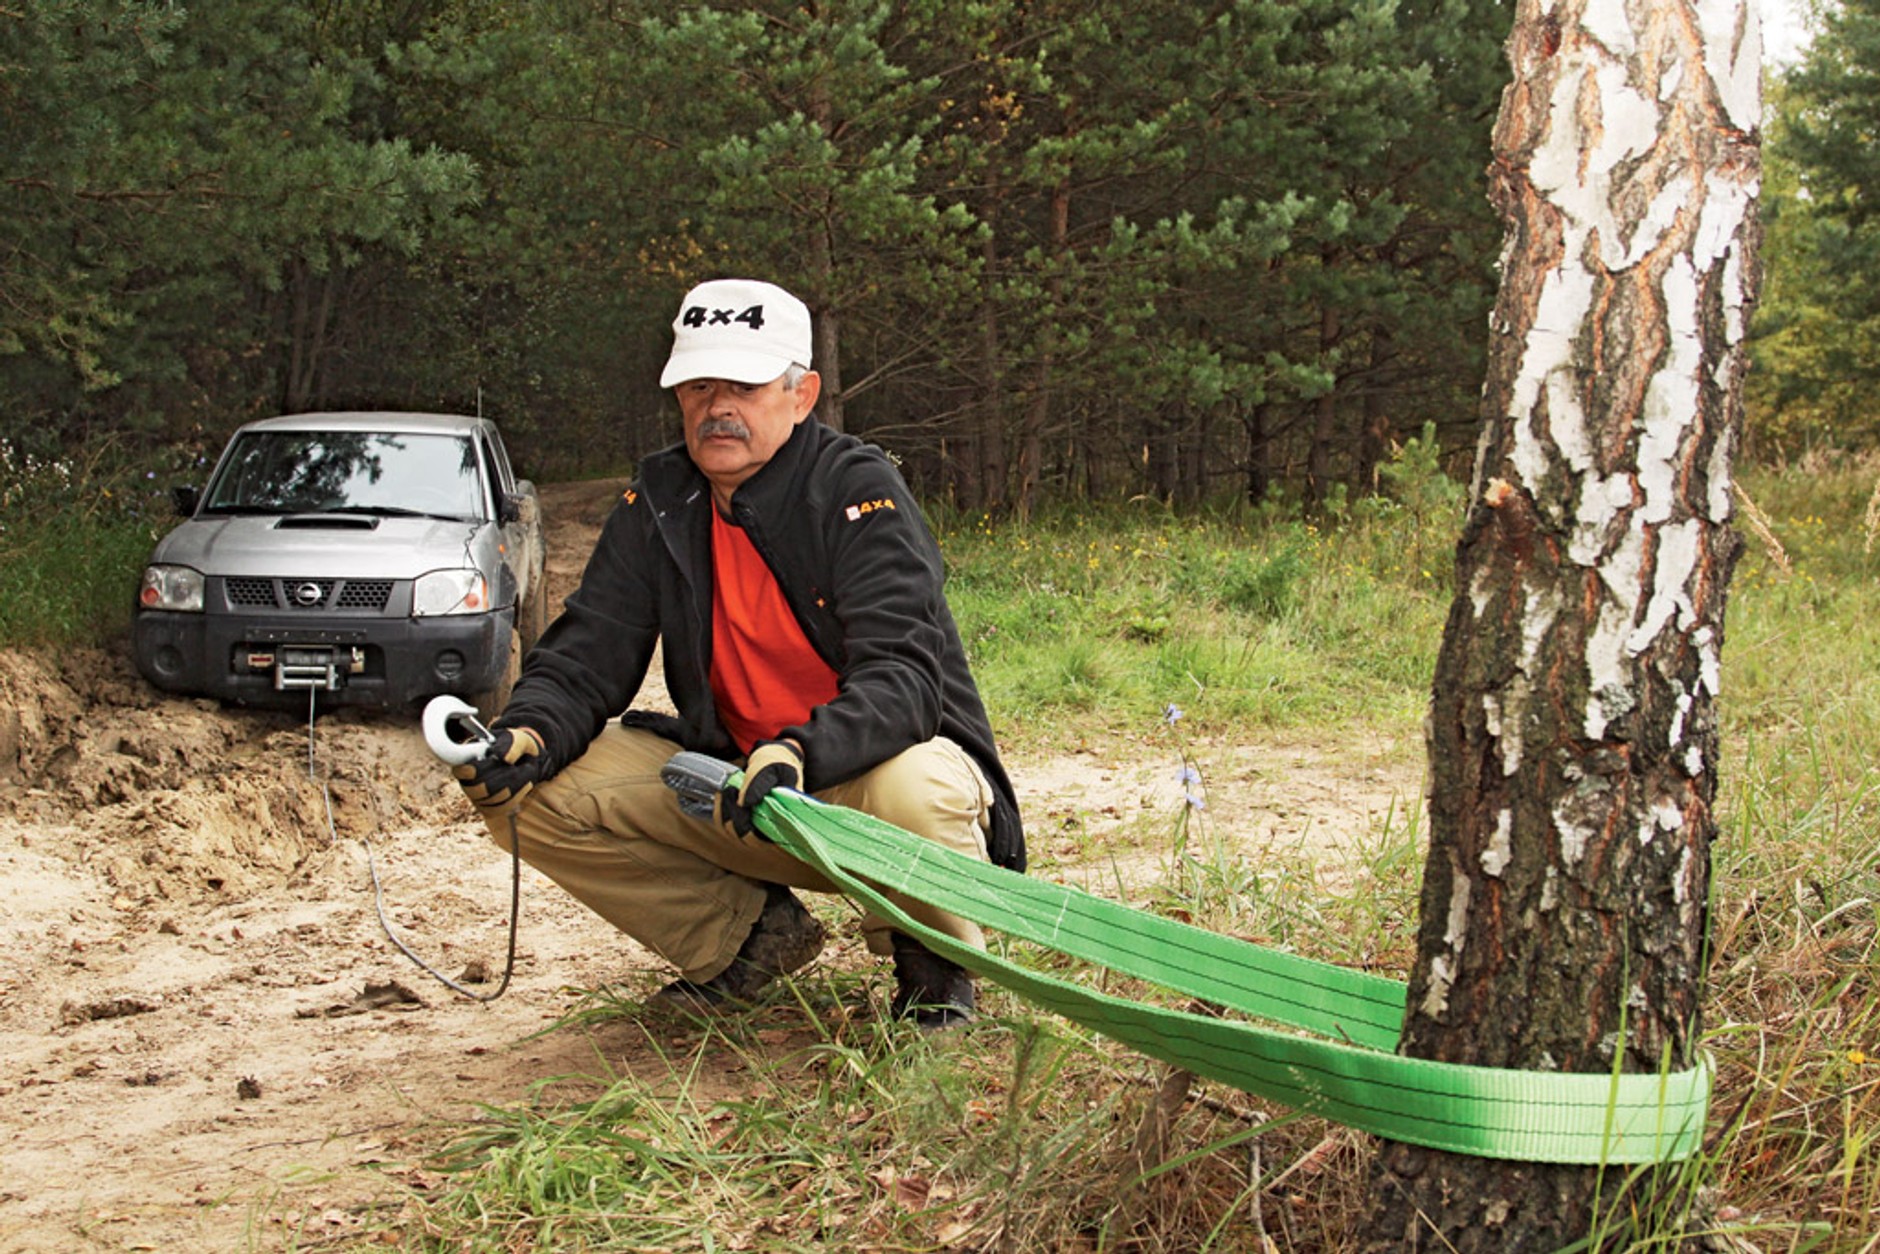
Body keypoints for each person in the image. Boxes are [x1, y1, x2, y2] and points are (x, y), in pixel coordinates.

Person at [454, 277, 1024, 1030]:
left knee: (916, 784)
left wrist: (800, 751)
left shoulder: (858, 492)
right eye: (697, 385)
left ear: (802, 393)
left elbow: (906, 680)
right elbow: (589, 652)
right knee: (529, 790)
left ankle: (934, 969)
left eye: (743, 385)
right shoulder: (660, 497)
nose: (716, 406)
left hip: (856, 784)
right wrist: (528, 730)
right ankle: (748, 942)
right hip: (742, 791)